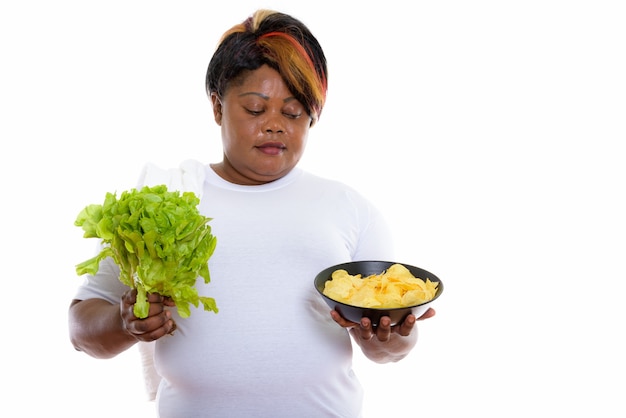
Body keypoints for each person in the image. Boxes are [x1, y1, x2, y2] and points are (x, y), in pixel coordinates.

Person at [68, 9, 436, 417]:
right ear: (217, 107)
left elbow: (391, 351)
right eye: (256, 109)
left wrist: (388, 338)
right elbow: (82, 329)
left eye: (293, 112)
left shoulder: (348, 208)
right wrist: (126, 324)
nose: (275, 125)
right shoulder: (165, 205)